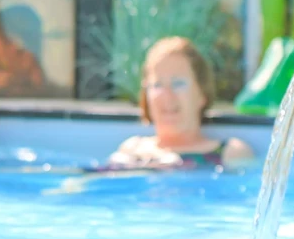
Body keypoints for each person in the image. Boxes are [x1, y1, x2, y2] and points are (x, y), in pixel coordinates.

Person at [108, 37, 253, 170]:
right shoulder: (130, 152)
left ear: (202, 93)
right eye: (157, 85)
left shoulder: (231, 154)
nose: (167, 95)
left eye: (178, 83)